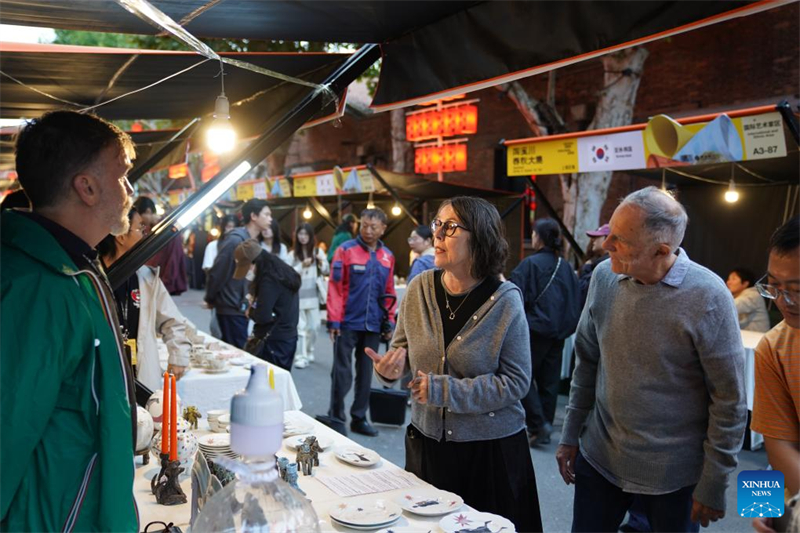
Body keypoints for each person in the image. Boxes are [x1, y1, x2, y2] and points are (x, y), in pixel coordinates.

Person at [557, 186, 746, 532]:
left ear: (661, 250)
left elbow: (729, 400)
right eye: (610, 233)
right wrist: (570, 435)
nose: (605, 244)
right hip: (600, 458)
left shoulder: (709, 296)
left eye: (620, 240)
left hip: (673, 476)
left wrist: (714, 481)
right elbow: (586, 361)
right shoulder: (604, 277)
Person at [367, 196, 542, 532]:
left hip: (488, 453)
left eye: (449, 227)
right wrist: (388, 371)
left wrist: (443, 391)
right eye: (438, 224)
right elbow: (401, 352)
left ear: (479, 237)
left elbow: (516, 382)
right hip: (427, 445)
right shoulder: (419, 288)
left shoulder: (505, 300)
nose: (437, 234)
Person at [1, 110, 138, 531]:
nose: (130, 190)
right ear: (87, 187)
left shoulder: (70, 266)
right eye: (122, 176)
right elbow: (8, 428)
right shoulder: (38, 285)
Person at [319, 208, 397, 437]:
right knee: (341, 373)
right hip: (346, 323)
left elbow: (389, 291)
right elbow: (335, 287)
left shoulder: (388, 256)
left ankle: (359, 418)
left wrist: (389, 321)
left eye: (373, 227)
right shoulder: (345, 250)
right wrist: (334, 321)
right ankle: (336, 417)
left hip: (373, 324)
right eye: (364, 225)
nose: (368, 230)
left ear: (383, 229)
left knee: (366, 373)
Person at [98, 207, 192, 389]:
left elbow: (173, 321)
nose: (144, 235)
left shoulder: (146, 277)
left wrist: (178, 355)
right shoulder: (91, 278)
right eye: (140, 228)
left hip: (140, 378)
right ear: (121, 236)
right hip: (102, 378)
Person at [509, 217, 580, 446]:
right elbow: (575, 299)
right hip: (558, 333)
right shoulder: (565, 266)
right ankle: (544, 424)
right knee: (549, 381)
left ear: (538, 237)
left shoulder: (530, 264)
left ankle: (539, 425)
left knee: (522, 375)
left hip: (534, 330)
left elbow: (515, 296)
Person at [751, 216, 799, 533]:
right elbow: (776, 443)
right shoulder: (772, 347)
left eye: (797, 289)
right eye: (774, 286)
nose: (783, 301)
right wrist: (761, 502)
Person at [205, 198, 272, 348]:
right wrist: (211, 298)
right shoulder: (235, 240)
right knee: (236, 350)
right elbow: (218, 271)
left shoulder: (250, 240)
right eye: (266, 214)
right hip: (231, 305)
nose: (270, 219)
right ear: (253, 216)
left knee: (238, 350)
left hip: (240, 306)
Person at [233, 239, 301, 371]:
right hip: (287, 337)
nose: (247, 273)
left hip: (273, 341)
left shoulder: (268, 280)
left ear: (254, 263)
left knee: (268, 380)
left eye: (247, 268)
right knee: (278, 379)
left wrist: (251, 311)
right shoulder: (281, 270)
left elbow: (263, 316)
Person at [288, 223, 330, 369]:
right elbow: (287, 275)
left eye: (306, 234)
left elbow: (326, 271)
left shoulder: (318, 251)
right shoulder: (292, 254)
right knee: (300, 328)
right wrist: (301, 266)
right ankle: (301, 356)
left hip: (313, 296)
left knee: (314, 327)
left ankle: (309, 350)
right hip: (297, 296)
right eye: (300, 234)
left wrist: (320, 261)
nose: (303, 237)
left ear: (311, 236)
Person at [135, 197, 189, 296]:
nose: (140, 222)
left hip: (163, 284)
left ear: (148, 211)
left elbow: (173, 258)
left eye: (140, 218)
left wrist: (166, 282)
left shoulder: (167, 229)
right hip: (152, 283)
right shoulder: (149, 229)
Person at [727, 267, 771, 332]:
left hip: (757, 336)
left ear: (745, 283)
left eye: (733, 279)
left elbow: (729, 307)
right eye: (728, 279)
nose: (728, 282)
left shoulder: (753, 295)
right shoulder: (738, 296)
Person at [578, 223, 610, 307]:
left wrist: (586, 269)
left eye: (597, 237)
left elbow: (583, 291)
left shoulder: (605, 266)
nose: (593, 240)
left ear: (607, 239)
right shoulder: (598, 262)